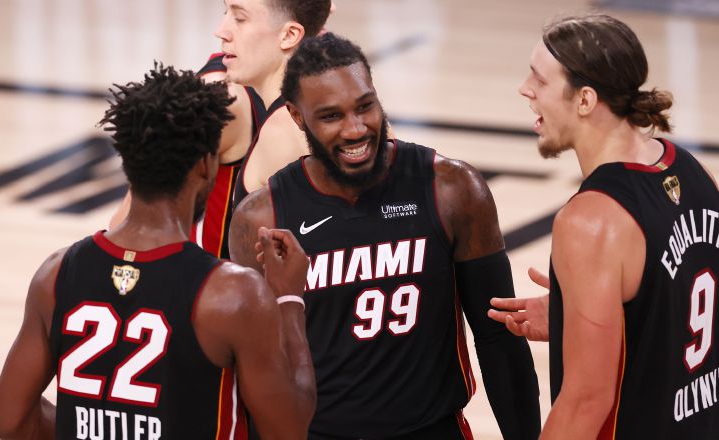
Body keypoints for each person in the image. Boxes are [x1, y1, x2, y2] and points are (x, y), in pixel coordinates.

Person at [229, 33, 540, 440]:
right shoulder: (262, 217)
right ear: (296, 116)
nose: (356, 129)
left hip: (432, 430)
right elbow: (252, 372)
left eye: (365, 107)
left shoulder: (451, 188)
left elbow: (499, 336)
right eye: (331, 116)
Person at [0, 64, 316, 440]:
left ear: (127, 163)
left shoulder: (56, 273)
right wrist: (290, 298)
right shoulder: (231, 294)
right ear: (206, 164)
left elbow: (10, 420)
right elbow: (288, 430)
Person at [491, 14, 719, 439]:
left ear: (585, 100)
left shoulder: (590, 222)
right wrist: (578, 315)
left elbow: (586, 402)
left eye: (539, 80)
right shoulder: (693, 171)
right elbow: (677, 303)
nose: (526, 88)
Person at [110, 0, 334, 258]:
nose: (221, 30)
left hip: (219, 291)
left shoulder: (276, 125)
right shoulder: (221, 95)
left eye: (239, 18)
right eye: (225, 12)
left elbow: (126, 232)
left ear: (291, 34)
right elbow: (131, 228)